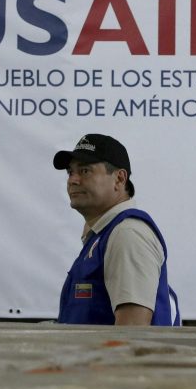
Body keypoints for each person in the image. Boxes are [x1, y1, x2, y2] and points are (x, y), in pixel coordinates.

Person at [53, 133, 180, 326]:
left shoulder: (127, 234)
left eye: (85, 171)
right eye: (70, 172)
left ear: (119, 178)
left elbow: (132, 334)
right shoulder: (106, 234)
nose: (73, 180)